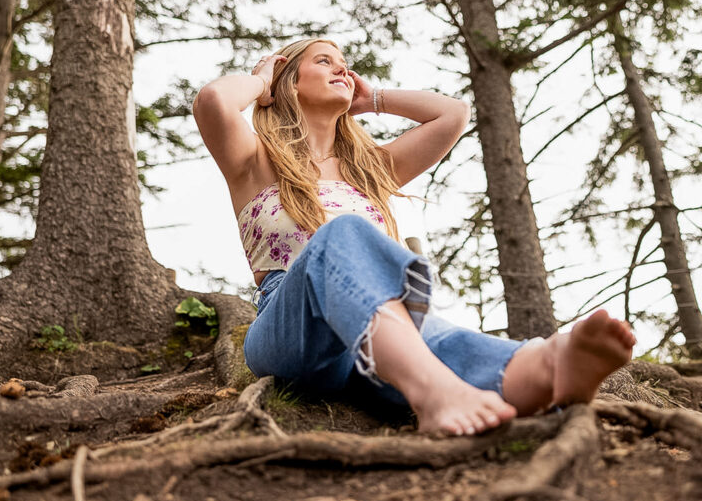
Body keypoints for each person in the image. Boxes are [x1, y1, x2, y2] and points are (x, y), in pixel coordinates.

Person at [192, 37, 637, 436]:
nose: (342, 70)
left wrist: (374, 99)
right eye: (324, 61)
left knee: (443, 339)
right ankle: (434, 393)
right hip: (292, 330)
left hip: (378, 336)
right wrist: (263, 76)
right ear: (289, 80)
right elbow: (213, 99)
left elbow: (453, 114)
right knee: (343, 235)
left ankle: (548, 369)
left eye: (344, 64)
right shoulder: (253, 162)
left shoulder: (368, 171)